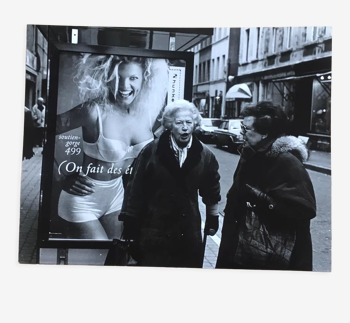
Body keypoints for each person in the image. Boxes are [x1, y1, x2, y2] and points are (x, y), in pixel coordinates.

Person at [55, 54, 169, 240]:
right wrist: (60, 176)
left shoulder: (148, 114)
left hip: (117, 197)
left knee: (116, 258)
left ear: (144, 80)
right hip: (82, 200)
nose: (124, 86)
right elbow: (43, 130)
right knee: (100, 259)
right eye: (116, 78)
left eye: (133, 78)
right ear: (105, 79)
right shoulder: (93, 111)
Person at [216, 101, 316, 271]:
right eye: (242, 127)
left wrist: (261, 199)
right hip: (241, 246)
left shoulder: (287, 161)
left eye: (246, 129)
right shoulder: (250, 154)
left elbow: (304, 209)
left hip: (269, 255)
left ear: (264, 133)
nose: (242, 133)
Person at [120, 99, 221, 268]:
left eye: (189, 122)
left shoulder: (205, 154)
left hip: (188, 231)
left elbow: (212, 189)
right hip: (154, 230)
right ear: (169, 125)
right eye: (179, 122)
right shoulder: (151, 151)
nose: (184, 127)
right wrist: (131, 221)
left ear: (195, 124)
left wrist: (213, 217)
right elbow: (135, 187)